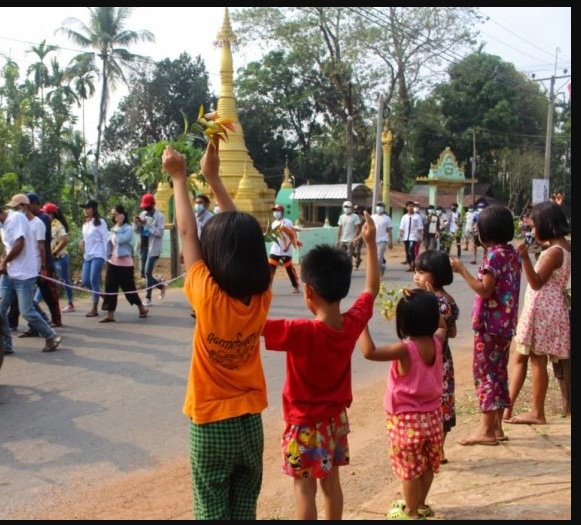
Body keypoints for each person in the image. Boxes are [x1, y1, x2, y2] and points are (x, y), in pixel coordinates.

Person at [163, 139, 272, 520]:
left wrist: (179, 177)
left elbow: (188, 235)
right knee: (244, 512)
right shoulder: (262, 295)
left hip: (211, 425)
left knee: (211, 511)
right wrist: (213, 179)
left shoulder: (206, 295)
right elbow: (247, 240)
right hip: (251, 423)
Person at [261, 210, 379, 520]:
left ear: (309, 292)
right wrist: (371, 245)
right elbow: (371, 291)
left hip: (303, 425)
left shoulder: (299, 331)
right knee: (331, 484)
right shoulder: (350, 323)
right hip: (334, 423)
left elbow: (253, 323)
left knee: (303, 489)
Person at [359, 288, 447, 520]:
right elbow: (443, 326)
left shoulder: (405, 350)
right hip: (433, 416)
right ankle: (420, 504)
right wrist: (431, 300)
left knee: (409, 471)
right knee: (427, 466)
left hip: (406, 419)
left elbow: (369, 352)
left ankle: (410, 512)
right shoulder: (437, 341)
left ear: (403, 322)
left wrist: (362, 322)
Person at [450, 205, 521, 445]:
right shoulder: (511, 253)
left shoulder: (493, 256)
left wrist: (461, 270)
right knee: (499, 373)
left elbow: (485, 289)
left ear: (484, 232)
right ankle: (497, 426)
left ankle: (486, 430)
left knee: (486, 375)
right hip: (505, 324)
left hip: (489, 326)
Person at [503, 200, 571, 425]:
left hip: (543, 309)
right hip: (548, 308)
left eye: (534, 226)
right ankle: (508, 408)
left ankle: (536, 411)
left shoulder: (554, 252)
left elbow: (535, 282)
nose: (533, 231)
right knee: (524, 355)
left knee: (537, 359)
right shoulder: (564, 247)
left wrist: (524, 256)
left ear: (545, 224)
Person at [0, 196, 61, 354]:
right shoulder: (3, 227)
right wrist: (3, 259)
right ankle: (5, 345)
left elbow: (20, 244)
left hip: (25, 273)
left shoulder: (17, 218)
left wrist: (5, 262)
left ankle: (51, 336)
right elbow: (9, 247)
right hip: (9, 274)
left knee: (27, 311)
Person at [414, 250, 458, 464]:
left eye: (422, 272)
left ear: (437, 275)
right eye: (416, 271)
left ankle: (435, 449)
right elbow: (453, 332)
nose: (417, 277)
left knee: (436, 403)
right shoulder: (447, 300)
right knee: (442, 403)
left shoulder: (438, 302)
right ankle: (437, 449)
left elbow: (442, 330)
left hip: (436, 360)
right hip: (443, 358)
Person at [98, 204, 149, 323]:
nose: (113, 217)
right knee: (110, 288)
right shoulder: (113, 228)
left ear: (121, 215)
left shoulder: (128, 229)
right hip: (112, 262)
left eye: (115, 214)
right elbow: (110, 243)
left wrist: (119, 226)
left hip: (125, 264)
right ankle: (110, 314)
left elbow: (121, 240)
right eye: (113, 215)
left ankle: (141, 308)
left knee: (129, 288)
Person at [28, 192, 62, 328]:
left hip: (44, 261)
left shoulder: (42, 218)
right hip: (31, 261)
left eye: (28, 205)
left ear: (35, 204)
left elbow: (40, 243)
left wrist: (43, 266)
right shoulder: (30, 219)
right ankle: (37, 323)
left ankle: (56, 318)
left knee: (48, 291)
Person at [134, 193, 168, 307]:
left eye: (147, 206)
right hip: (143, 246)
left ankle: (148, 298)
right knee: (143, 273)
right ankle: (161, 285)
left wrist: (147, 224)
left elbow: (160, 233)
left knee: (148, 273)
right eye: (144, 206)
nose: (145, 208)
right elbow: (137, 231)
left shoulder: (160, 216)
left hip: (153, 248)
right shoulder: (143, 214)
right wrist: (137, 224)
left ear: (153, 204)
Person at [79, 199, 110, 318]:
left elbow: (105, 240)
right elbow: (86, 239)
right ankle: (103, 295)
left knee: (93, 280)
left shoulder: (100, 222)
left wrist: (106, 257)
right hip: (87, 255)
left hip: (98, 254)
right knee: (85, 281)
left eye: (88, 208)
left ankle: (94, 308)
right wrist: (82, 242)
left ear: (93, 209)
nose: (85, 211)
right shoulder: (85, 224)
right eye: (85, 208)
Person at [43, 202, 76, 313]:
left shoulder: (57, 225)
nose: (45, 215)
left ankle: (70, 303)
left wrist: (55, 252)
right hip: (50, 258)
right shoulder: (46, 224)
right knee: (45, 279)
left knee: (65, 280)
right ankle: (36, 300)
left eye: (47, 213)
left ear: (52, 214)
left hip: (60, 258)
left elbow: (64, 240)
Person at [268, 203, 301, 293]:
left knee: (289, 269)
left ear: (282, 212)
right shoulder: (274, 223)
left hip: (285, 250)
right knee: (270, 269)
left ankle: (295, 286)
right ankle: (268, 287)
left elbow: (292, 235)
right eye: (274, 211)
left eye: (277, 211)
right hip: (275, 249)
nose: (275, 213)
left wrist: (287, 245)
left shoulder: (288, 222)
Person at [398, 201, 422, 273]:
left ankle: (414, 266)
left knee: (411, 251)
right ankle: (410, 266)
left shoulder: (417, 217)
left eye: (412, 206)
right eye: (409, 206)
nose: (411, 207)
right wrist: (399, 237)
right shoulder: (404, 217)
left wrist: (419, 237)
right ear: (406, 207)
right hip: (406, 237)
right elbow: (402, 228)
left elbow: (420, 228)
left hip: (413, 237)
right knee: (407, 252)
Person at [372, 201, 392, 278]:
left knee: (379, 258)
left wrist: (390, 241)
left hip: (383, 240)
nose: (379, 208)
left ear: (383, 208)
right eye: (378, 206)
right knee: (375, 258)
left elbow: (389, 230)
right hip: (374, 240)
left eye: (381, 206)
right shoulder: (372, 217)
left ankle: (378, 273)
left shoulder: (387, 218)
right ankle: (382, 267)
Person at [470, 200, 488, 264]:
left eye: (482, 207)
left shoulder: (487, 215)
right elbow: (473, 222)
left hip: (484, 233)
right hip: (477, 232)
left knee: (485, 246)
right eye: (480, 207)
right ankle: (474, 259)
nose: (481, 208)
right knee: (475, 245)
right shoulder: (476, 215)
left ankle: (484, 259)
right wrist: (472, 229)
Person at [351, 204, 364, 269]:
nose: (355, 211)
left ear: (359, 210)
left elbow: (362, 226)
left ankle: (357, 264)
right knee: (351, 251)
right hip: (352, 235)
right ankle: (358, 259)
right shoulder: (352, 217)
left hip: (360, 235)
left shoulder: (362, 218)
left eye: (357, 210)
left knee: (358, 250)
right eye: (354, 210)